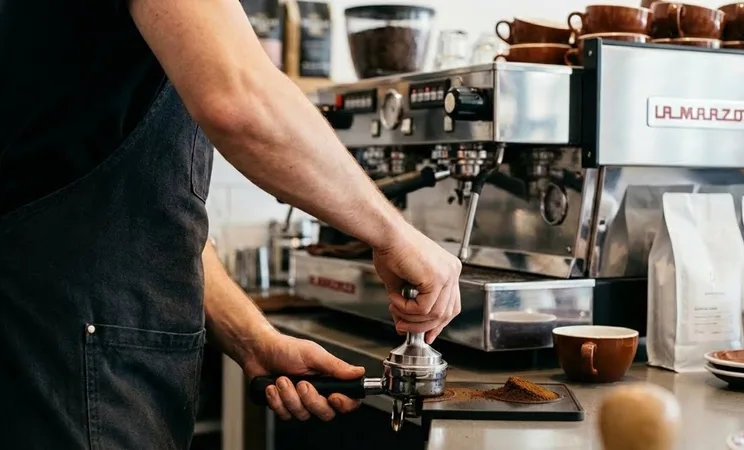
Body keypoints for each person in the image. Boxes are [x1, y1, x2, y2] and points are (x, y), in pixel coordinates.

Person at [0, 0, 462, 448]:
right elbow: (240, 103)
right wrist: (394, 235)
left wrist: (253, 339)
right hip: (62, 359)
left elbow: (141, 213)